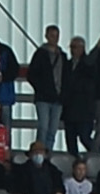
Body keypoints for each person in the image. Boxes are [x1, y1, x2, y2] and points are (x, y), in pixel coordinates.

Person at [27, 26, 70, 155]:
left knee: (52, 129)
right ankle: (39, 152)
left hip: (58, 98)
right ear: (46, 36)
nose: (54, 38)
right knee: (43, 127)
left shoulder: (62, 55)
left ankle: (48, 153)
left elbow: (67, 77)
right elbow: (32, 75)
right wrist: (42, 89)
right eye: (52, 35)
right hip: (44, 98)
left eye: (56, 36)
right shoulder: (40, 54)